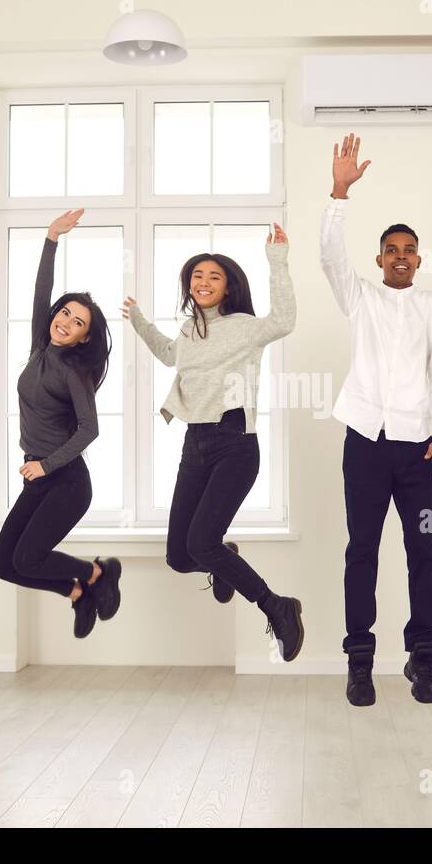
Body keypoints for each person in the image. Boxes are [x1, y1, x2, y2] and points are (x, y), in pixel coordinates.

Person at [319, 133, 432, 707]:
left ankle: (422, 659)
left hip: (419, 451)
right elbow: (329, 256)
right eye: (391, 250)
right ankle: (359, 662)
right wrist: (339, 192)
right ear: (380, 259)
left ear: (418, 259)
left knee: (423, 550)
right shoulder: (360, 299)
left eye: (409, 250)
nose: (400, 257)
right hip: (366, 445)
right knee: (362, 551)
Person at [123, 224, 304, 661]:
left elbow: (284, 321)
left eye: (213, 277)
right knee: (180, 557)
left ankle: (277, 607)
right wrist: (140, 322)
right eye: (197, 276)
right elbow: (170, 356)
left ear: (228, 288)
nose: (202, 282)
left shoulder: (242, 326)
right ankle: (225, 554)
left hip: (234, 443)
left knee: (200, 543)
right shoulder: (188, 331)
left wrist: (277, 260)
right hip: (195, 443)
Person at [0, 209, 122, 639]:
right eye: (64, 313)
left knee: (27, 558)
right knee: (3, 564)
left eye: (77, 323)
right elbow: (39, 293)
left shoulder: (75, 372)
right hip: (39, 477)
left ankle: (98, 573)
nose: (65, 323)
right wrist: (51, 239)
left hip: (65, 481)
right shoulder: (39, 347)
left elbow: (90, 430)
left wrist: (46, 465)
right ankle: (77, 594)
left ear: (86, 337)